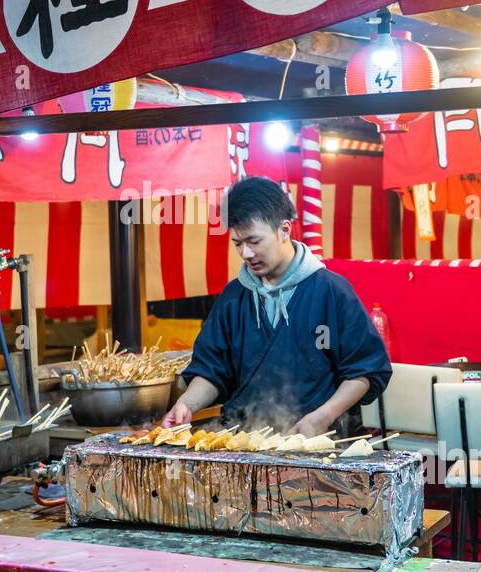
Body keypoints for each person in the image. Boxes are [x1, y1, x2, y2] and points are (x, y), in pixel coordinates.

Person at [163, 176, 391, 433]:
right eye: (237, 243)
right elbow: (212, 369)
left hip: (317, 440)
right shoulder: (234, 297)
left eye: (254, 241)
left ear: (284, 229)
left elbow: (364, 371)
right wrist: (187, 403)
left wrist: (323, 417)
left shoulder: (330, 290)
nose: (246, 253)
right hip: (242, 443)